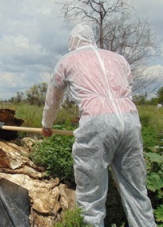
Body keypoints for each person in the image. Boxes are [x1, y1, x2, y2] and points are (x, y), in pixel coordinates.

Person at [41, 23, 156, 227]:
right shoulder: (119, 59)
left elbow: (53, 98)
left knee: (90, 197)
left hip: (97, 125)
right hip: (130, 121)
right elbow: (125, 89)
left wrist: (46, 125)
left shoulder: (68, 60)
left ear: (73, 41)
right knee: (137, 191)